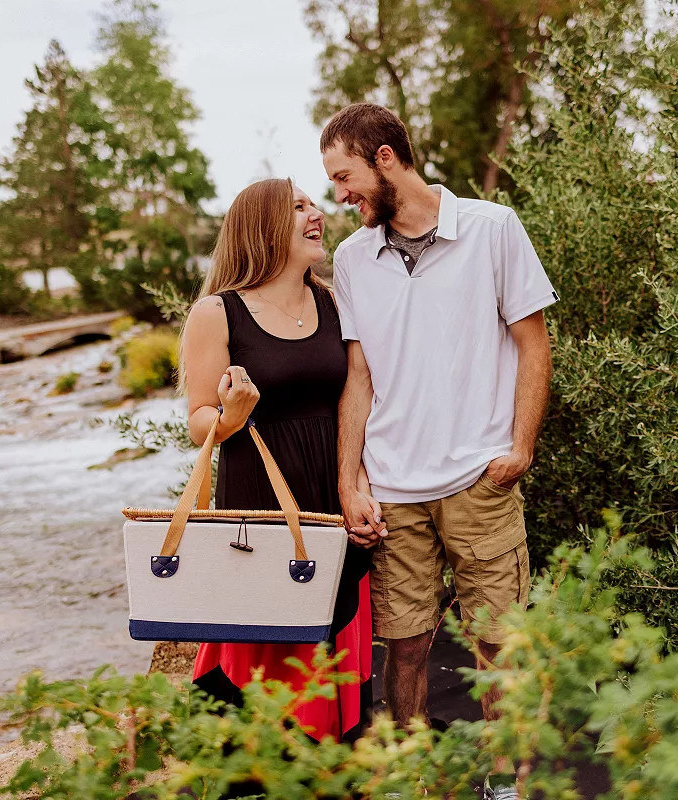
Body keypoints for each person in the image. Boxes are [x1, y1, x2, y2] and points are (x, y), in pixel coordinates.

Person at [321, 103, 558, 799]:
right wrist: (349, 482)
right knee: (407, 644)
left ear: (385, 157)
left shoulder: (492, 230)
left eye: (344, 176)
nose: (339, 195)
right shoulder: (351, 257)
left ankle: (505, 786)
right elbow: (358, 375)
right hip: (394, 489)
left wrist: (521, 447)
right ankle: (417, 783)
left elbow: (533, 344)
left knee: (496, 644)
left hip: (479, 479)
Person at [180, 178, 373, 751]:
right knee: (272, 644)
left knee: (333, 633)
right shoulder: (217, 314)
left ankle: (334, 770)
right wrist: (230, 414)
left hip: (330, 497)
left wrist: (357, 481)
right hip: (260, 505)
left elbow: (356, 400)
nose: (316, 212)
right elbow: (198, 421)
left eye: (315, 202)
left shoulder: (335, 301)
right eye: (297, 207)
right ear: (262, 226)